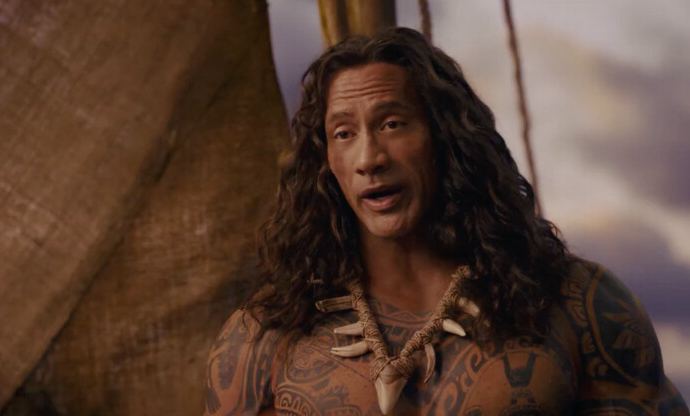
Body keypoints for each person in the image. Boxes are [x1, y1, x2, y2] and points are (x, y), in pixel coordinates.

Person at [203, 28, 688, 415]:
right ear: (326, 159)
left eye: (392, 124)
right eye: (344, 133)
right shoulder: (263, 337)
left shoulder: (580, 308)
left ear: (445, 137)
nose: (369, 158)